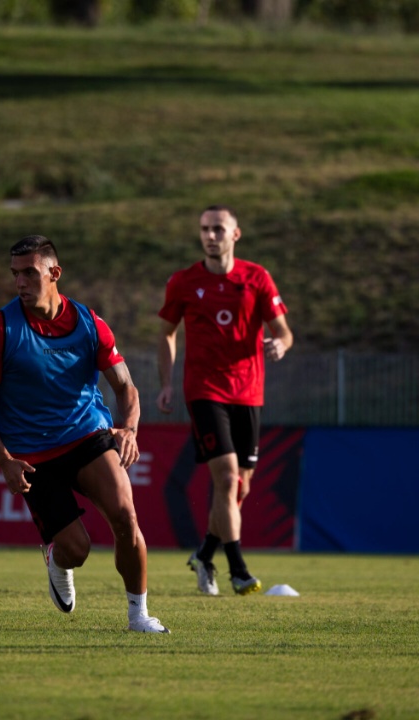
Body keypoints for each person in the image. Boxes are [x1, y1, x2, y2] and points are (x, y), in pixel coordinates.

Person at [0, 235, 169, 634]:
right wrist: (4, 461)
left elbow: (126, 386)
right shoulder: (0, 328)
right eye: (15, 274)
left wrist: (128, 429)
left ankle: (139, 615)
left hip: (86, 435)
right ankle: (57, 560)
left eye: (29, 273)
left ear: (54, 273)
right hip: (32, 454)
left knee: (126, 516)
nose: (20, 282)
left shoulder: (90, 323)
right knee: (77, 550)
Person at [156, 205, 293, 597]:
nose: (210, 235)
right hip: (204, 391)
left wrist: (279, 345)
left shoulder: (257, 277)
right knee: (228, 477)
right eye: (204, 229)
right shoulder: (183, 282)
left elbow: (284, 331)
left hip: (249, 392)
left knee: (239, 489)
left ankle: (204, 554)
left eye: (218, 229)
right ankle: (238, 570)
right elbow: (166, 333)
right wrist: (166, 383)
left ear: (236, 234)